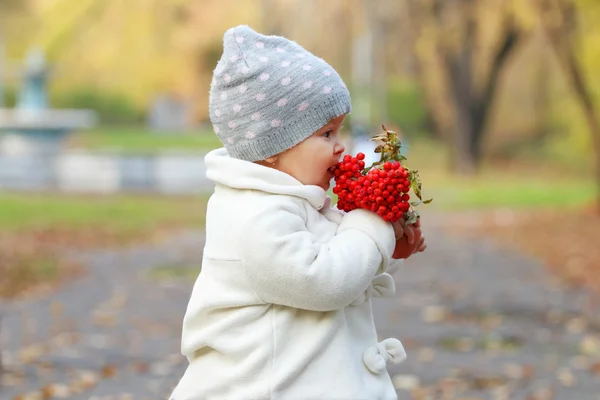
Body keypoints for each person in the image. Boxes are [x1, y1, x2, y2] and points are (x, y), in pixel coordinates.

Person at [170, 25, 426, 400]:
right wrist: (372, 223)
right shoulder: (254, 217)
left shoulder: (289, 200)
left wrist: (388, 250)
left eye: (338, 133)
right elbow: (324, 281)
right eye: (326, 134)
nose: (340, 148)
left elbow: (340, 254)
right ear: (273, 145)